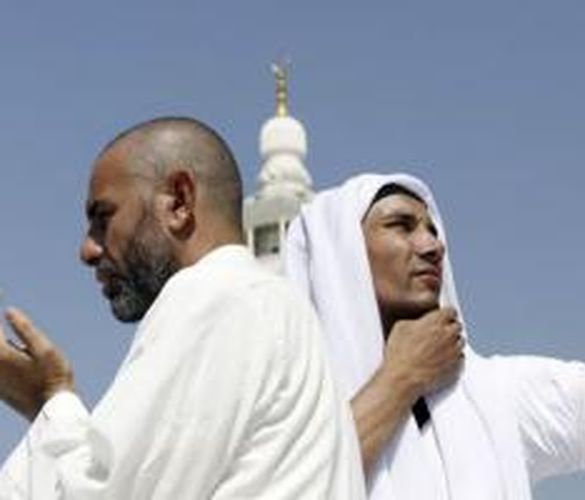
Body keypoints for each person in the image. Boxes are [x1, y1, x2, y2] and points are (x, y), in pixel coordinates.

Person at [284, 172, 585, 499]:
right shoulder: (285, 407)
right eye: (400, 226)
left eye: (432, 228)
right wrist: (401, 378)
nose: (431, 244)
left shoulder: (497, 396)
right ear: (339, 255)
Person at [0, 117, 366, 499]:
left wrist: (51, 397)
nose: (88, 250)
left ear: (179, 201)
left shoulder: (215, 296)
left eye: (103, 218)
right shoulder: (280, 309)